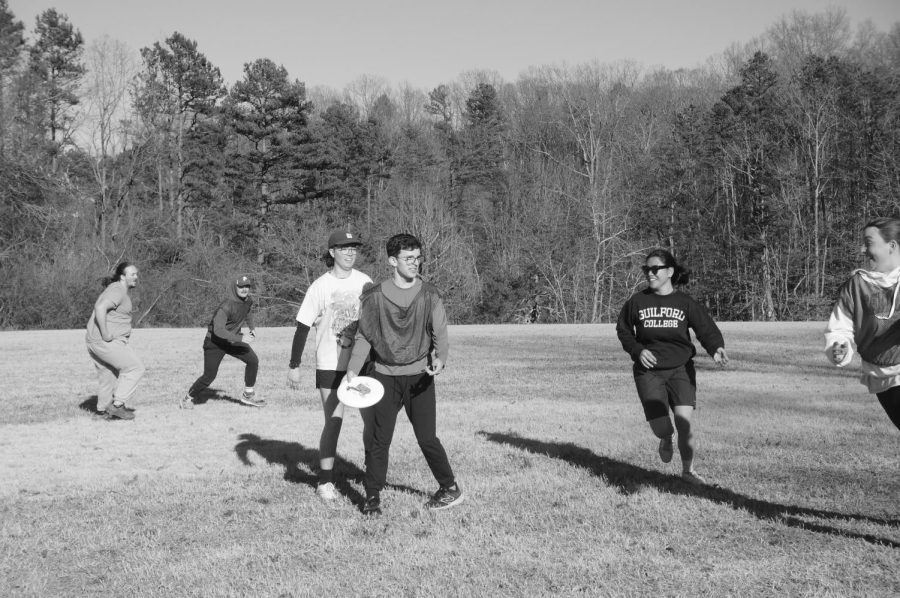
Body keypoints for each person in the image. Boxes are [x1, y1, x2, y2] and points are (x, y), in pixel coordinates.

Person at [345, 233, 464, 515]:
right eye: (408, 258)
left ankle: (450, 488)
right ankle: (372, 497)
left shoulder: (429, 294)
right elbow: (365, 336)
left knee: (427, 438)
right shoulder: (374, 297)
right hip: (384, 377)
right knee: (379, 438)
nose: (415, 263)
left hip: (420, 377)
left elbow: (441, 332)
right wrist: (352, 368)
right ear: (392, 261)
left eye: (418, 257)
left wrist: (440, 359)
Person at [616, 249, 728, 484]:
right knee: (661, 427)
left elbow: (705, 327)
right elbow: (624, 331)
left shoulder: (684, 302)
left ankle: (688, 471)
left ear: (669, 271)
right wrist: (638, 350)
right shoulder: (637, 302)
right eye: (646, 269)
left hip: (680, 369)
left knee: (684, 423)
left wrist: (716, 347)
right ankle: (666, 438)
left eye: (655, 269)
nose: (650, 273)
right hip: (648, 372)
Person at [287, 229, 373, 501]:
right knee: (334, 421)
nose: (350, 252)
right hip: (329, 364)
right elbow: (302, 326)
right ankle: (325, 482)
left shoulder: (365, 282)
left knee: (372, 422)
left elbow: (375, 322)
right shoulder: (320, 286)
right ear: (332, 252)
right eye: (344, 248)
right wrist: (294, 364)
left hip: (361, 364)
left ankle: (372, 471)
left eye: (354, 248)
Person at [825, 217, 900, 432]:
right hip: (881, 376)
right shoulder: (856, 286)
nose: (862, 249)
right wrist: (838, 346)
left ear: (891, 246)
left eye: (868, 242)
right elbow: (840, 327)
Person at [181, 275, 262, 408]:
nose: (244, 289)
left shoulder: (247, 301)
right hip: (214, 342)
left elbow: (247, 313)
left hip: (232, 340)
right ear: (235, 287)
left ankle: (248, 394)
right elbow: (218, 331)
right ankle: (186, 399)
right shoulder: (226, 306)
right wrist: (241, 338)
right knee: (209, 376)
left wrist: (252, 328)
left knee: (253, 360)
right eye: (241, 286)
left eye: (247, 286)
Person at [85, 262, 146, 420]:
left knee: (109, 374)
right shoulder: (118, 289)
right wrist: (105, 333)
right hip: (104, 341)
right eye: (132, 274)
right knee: (135, 368)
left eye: (136, 274)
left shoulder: (116, 289)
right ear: (122, 276)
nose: (136, 277)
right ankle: (117, 405)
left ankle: (102, 412)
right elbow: (100, 308)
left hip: (94, 341)